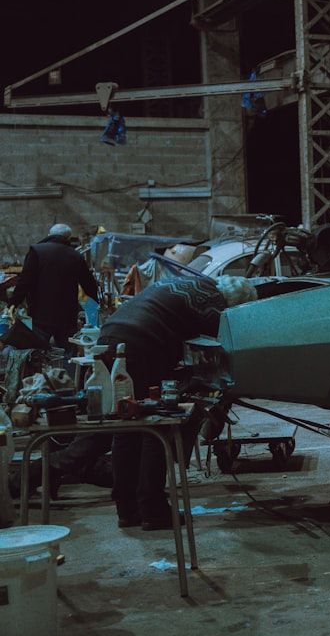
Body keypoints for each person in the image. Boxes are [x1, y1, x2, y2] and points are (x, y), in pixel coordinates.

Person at [97, 275, 257, 530]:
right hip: (143, 343)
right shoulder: (216, 305)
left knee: (127, 426)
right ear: (235, 303)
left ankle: (126, 510)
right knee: (156, 426)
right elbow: (222, 348)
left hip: (111, 336)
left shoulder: (194, 283)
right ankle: (153, 510)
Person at [9, 224, 99, 351]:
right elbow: (89, 283)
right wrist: (97, 301)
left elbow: (25, 280)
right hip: (67, 314)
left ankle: (42, 370)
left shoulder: (36, 251)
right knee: (67, 352)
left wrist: (13, 302)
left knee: (39, 351)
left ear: (49, 235)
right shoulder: (75, 256)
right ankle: (66, 370)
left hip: (40, 312)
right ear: (68, 237)